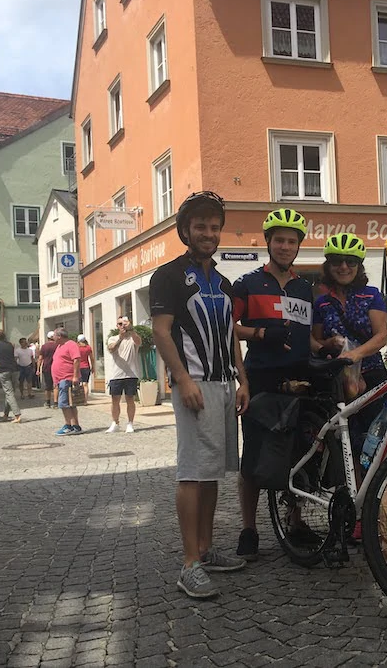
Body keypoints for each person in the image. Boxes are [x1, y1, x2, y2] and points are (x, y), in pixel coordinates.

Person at [150, 190, 250, 599]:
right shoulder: (168, 276)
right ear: (185, 231)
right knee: (192, 472)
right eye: (200, 227)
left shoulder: (223, 282)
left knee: (212, 472)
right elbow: (160, 331)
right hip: (194, 384)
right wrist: (182, 379)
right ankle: (189, 562)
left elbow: (230, 338)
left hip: (224, 383)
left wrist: (243, 380)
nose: (208, 233)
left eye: (214, 227)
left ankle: (206, 551)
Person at [232, 208, 328, 561]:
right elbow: (227, 330)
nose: (286, 246)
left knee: (300, 455)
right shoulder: (248, 283)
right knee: (254, 459)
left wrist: (326, 347)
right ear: (268, 242)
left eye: (292, 241)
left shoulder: (305, 288)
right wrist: (258, 332)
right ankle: (248, 530)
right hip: (262, 379)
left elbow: (308, 338)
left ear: (299, 246)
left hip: (301, 380)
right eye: (280, 240)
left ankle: (295, 519)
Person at [312, 233, 387, 487]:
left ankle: (375, 499)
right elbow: (314, 342)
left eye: (350, 262)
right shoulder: (322, 302)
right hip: (339, 381)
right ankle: (354, 503)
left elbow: (381, 336)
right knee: (348, 444)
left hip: (372, 376)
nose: (344, 267)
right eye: (337, 261)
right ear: (328, 265)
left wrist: (356, 354)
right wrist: (328, 345)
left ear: (359, 266)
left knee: (375, 442)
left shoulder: (371, 295)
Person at [105, 320, 142, 433]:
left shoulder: (133, 337)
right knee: (115, 399)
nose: (123, 326)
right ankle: (115, 423)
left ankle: (130, 423)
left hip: (131, 374)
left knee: (130, 399)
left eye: (125, 324)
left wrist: (131, 330)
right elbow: (111, 349)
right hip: (116, 374)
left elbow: (138, 341)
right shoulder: (113, 338)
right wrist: (120, 338)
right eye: (120, 324)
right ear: (117, 326)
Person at [50, 329, 82, 435]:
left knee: (64, 403)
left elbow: (76, 360)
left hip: (67, 378)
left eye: (54, 336)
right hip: (60, 379)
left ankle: (68, 425)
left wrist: (75, 376)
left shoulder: (71, 344)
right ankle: (75, 425)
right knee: (70, 403)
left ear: (59, 336)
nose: (52, 338)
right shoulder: (59, 346)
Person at [37, 331, 58, 408]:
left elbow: (40, 358)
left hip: (46, 367)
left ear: (48, 338)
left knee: (48, 386)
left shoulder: (44, 346)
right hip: (56, 367)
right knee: (56, 385)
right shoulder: (57, 346)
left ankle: (48, 402)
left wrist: (38, 369)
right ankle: (56, 402)